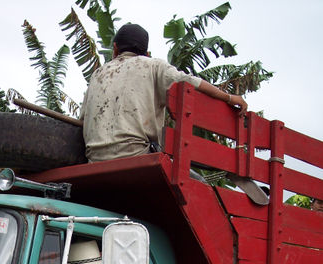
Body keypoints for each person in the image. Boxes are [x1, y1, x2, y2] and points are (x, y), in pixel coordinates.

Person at [80, 24, 248, 163]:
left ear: (115, 49)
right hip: (136, 155)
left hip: (94, 159)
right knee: (196, 180)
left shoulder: (97, 74)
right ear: (146, 53)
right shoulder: (153, 65)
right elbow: (193, 83)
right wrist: (229, 97)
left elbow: (82, 120)